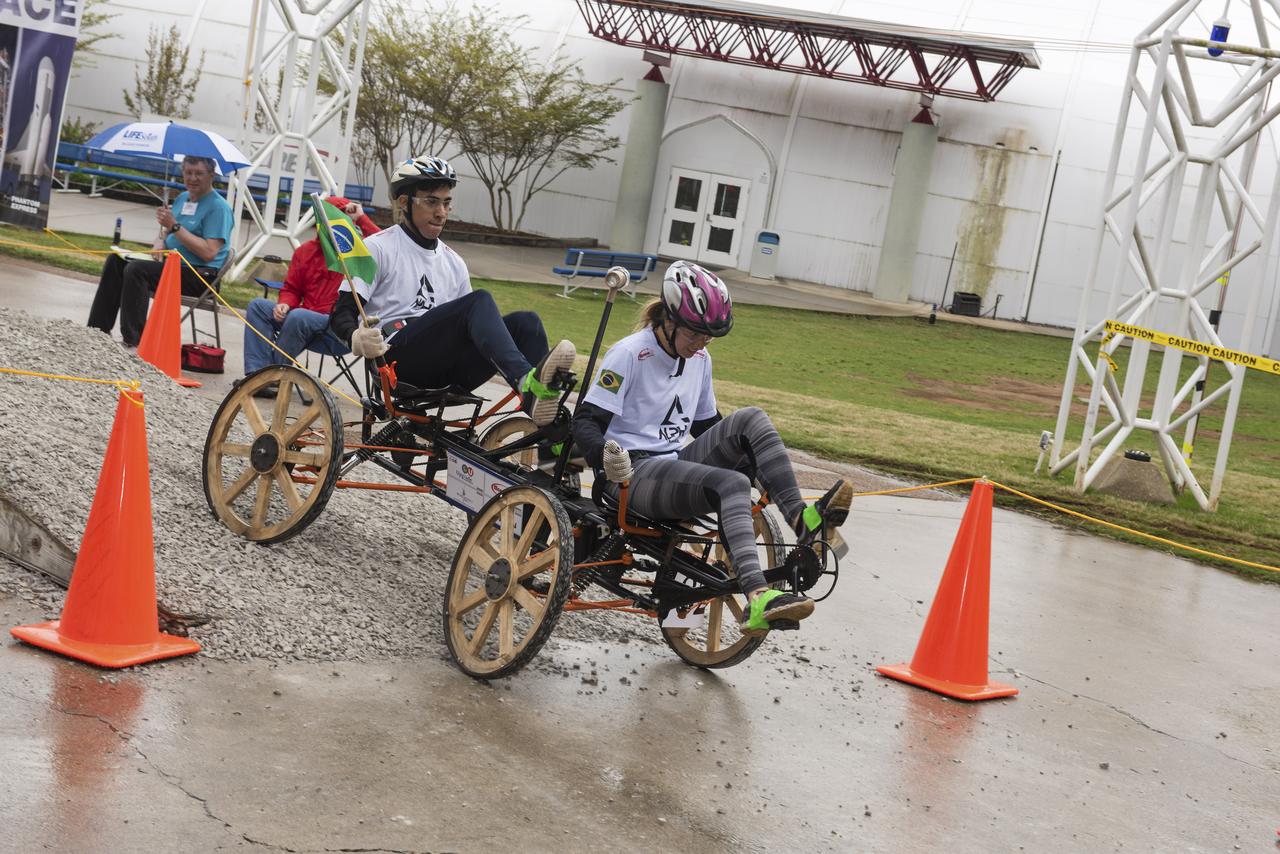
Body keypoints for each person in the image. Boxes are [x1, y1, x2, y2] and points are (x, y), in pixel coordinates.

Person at [571, 260, 853, 635]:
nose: (702, 343)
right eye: (695, 334)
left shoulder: (700, 359)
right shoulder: (629, 354)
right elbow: (585, 422)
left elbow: (711, 427)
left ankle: (804, 521)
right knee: (731, 484)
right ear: (668, 320)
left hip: (673, 469)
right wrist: (607, 459)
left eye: (708, 337)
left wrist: (760, 473)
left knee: (751, 419)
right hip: (631, 477)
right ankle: (758, 599)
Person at [330, 155, 575, 425]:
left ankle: (550, 432)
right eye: (431, 202)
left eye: (446, 203)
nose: (442, 212)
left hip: (447, 369)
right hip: (398, 365)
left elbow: (467, 327)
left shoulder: (454, 262)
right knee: (477, 301)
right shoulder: (378, 247)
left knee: (527, 323)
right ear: (404, 202)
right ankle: (527, 384)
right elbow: (341, 311)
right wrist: (355, 336)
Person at [87, 155, 233, 348]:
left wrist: (174, 227)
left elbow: (209, 252)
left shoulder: (218, 207)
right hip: (171, 265)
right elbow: (167, 233)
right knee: (116, 261)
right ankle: (96, 332)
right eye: (188, 173)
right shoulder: (182, 198)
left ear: (211, 175)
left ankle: (135, 342)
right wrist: (159, 241)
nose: (192, 178)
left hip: (200, 275)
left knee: (137, 270)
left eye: (199, 173)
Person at [242, 196, 379, 398]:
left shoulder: (354, 251)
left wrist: (361, 218)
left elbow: (385, 245)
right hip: (302, 322)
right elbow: (292, 289)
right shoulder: (305, 252)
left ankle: (270, 377)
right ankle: (256, 373)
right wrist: (284, 304)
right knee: (257, 306)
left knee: (299, 316)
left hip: (339, 330)